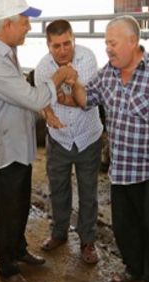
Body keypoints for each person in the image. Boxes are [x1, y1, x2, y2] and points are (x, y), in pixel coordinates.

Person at [65, 15, 149, 282]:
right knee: (125, 227)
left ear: (133, 41)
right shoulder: (107, 74)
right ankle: (134, 268)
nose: (107, 49)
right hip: (121, 170)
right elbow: (86, 98)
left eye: (112, 42)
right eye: (106, 43)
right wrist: (73, 81)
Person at [0, 0, 75, 282]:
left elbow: (22, 95)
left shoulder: (6, 50)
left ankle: (18, 249)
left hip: (15, 145)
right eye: (25, 21)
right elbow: (34, 97)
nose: (29, 27)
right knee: (6, 211)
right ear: (7, 24)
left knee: (18, 205)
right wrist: (58, 77)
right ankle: (7, 267)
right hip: (2, 151)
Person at [34, 20, 103, 265]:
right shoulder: (42, 68)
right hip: (59, 139)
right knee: (58, 188)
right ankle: (59, 233)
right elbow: (40, 100)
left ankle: (87, 240)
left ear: (73, 38)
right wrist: (47, 112)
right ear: (48, 45)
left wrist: (57, 95)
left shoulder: (87, 59)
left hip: (88, 137)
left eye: (67, 43)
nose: (63, 50)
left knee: (88, 191)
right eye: (56, 46)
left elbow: (83, 101)